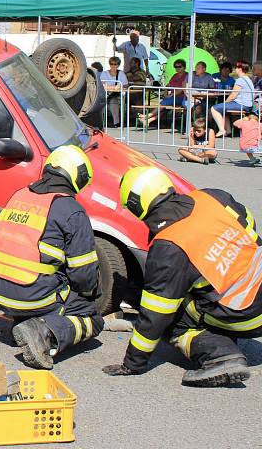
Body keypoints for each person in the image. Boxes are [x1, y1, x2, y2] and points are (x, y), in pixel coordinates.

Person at [104, 166, 262, 387]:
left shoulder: (169, 246)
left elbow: (155, 316)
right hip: (255, 285)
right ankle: (221, 329)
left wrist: (132, 363)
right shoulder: (210, 196)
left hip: (248, 314)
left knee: (172, 317)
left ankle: (220, 355)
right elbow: (249, 224)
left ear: (135, 206)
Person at [0, 145, 103, 370]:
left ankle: (26, 317)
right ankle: (44, 332)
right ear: (78, 177)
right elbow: (83, 275)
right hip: (26, 293)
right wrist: (90, 296)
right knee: (91, 318)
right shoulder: (71, 210)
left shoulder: (21, 194)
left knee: (45, 270)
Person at [210, 60, 255, 138]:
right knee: (224, 109)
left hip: (242, 104)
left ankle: (221, 130)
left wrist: (225, 103)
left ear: (240, 69)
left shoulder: (240, 80)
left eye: (236, 67)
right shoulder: (248, 79)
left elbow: (233, 95)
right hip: (247, 104)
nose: (235, 69)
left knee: (214, 108)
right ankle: (228, 131)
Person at [138, 59, 187, 127]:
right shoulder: (175, 75)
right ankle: (148, 120)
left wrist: (171, 95)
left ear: (184, 67)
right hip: (172, 97)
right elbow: (168, 85)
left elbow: (183, 89)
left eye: (180, 66)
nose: (177, 68)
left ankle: (147, 116)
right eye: (176, 67)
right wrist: (166, 93)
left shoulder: (186, 76)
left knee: (162, 104)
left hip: (182, 97)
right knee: (163, 108)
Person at [99, 57, 128, 127]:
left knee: (113, 101)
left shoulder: (121, 73)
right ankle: (101, 122)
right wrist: (114, 87)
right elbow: (102, 86)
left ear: (118, 65)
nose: (113, 66)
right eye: (111, 64)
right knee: (107, 101)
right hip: (106, 94)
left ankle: (116, 122)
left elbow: (126, 84)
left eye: (115, 64)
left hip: (117, 94)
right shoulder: (104, 73)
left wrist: (119, 87)